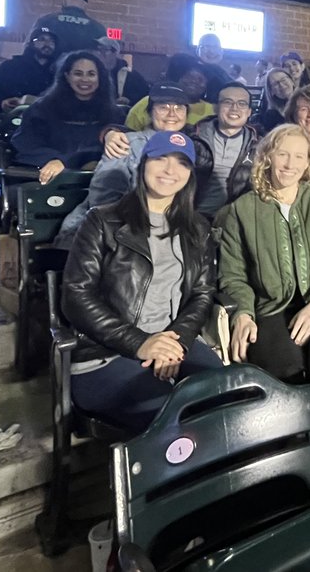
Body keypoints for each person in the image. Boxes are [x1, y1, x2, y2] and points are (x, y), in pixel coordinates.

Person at [62, 130, 221, 432]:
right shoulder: (102, 221)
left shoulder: (197, 227)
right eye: (160, 158)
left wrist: (176, 341)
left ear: (190, 174)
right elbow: (76, 296)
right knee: (175, 420)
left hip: (175, 342)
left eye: (181, 163)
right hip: (106, 353)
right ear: (143, 163)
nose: (169, 170)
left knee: (225, 399)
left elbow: (202, 293)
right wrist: (141, 343)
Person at [220, 124, 310, 382]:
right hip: (271, 308)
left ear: (309, 162)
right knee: (285, 376)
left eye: (299, 156)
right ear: (267, 157)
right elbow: (233, 275)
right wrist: (242, 313)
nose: (289, 164)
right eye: (282, 154)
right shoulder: (241, 209)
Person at [58, 83, 189, 243]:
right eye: (163, 107)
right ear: (149, 112)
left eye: (179, 108)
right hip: (101, 233)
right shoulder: (125, 143)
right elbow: (103, 198)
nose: (171, 114)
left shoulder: (189, 148)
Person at [11, 50, 127, 181]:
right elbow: (26, 143)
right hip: (51, 176)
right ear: (67, 76)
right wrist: (54, 159)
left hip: (98, 178)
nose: (85, 79)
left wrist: (69, 160)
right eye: (78, 73)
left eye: (91, 74)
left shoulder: (114, 113)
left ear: (100, 77)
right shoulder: (42, 109)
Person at [190, 82, 257, 218]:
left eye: (242, 104)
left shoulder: (259, 145)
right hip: (194, 217)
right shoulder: (193, 138)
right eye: (227, 102)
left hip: (235, 220)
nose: (234, 108)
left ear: (249, 111)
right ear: (215, 107)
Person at [0, 26, 58, 115]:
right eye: (41, 39)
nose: (47, 43)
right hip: (12, 121)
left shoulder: (58, 72)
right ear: (31, 44)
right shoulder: (10, 67)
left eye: (52, 41)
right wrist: (2, 103)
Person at [124, 54, 214, 130]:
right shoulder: (148, 103)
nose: (194, 82)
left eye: (200, 79)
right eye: (189, 77)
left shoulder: (212, 111)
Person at [29, 0, 110, 54]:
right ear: (85, 7)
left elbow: (29, 46)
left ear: (64, 2)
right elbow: (106, 55)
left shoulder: (45, 20)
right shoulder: (99, 29)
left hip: (47, 72)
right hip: (83, 72)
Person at [96, 37, 149, 108]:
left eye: (105, 50)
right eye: (99, 50)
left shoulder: (131, 76)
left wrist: (129, 101)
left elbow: (146, 98)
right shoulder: (92, 73)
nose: (101, 53)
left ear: (115, 53)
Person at [250, 67, 295, 135]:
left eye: (283, 80)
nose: (281, 85)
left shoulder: (307, 104)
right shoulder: (271, 116)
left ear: (292, 81)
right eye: (275, 84)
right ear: (271, 91)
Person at [195, 34, 232, 100]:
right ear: (197, 51)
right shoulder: (192, 74)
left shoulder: (222, 73)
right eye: (207, 47)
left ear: (222, 51)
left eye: (216, 47)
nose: (212, 51)